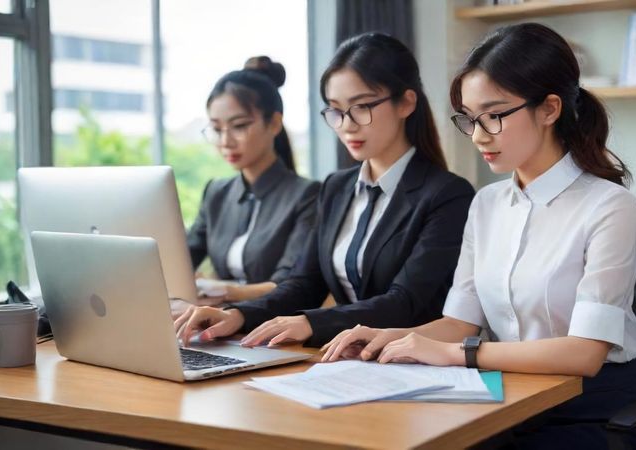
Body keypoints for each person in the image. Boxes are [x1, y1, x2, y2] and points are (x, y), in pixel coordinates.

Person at [320, 23, 636, 450]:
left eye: (496, 115)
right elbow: (460, 321)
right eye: (470, 118)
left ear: (549, 109)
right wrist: (390, 337)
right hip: (506, 399)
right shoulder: (485, 204)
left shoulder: (609, 205)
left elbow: (584, 354)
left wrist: (458, 354)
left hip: (596, 411)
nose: (480, 135)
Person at [175, 33, 476, 348]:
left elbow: (405, 302)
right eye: (335, 110)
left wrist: (310, 322)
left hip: (418, 363)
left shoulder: (448, 195)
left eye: (361, 107)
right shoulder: (337, 187)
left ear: (406, 102)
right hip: (346, 360)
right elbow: (304, 285)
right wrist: (238, 315)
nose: (347, 125)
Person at [186, 56, 319, 304]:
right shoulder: (216, 193)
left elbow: (289, 285)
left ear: (274, 123)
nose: (225, 141)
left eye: (239, 126)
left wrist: (220, 290)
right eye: (216, 129)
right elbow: (179, 264)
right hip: (216, 325)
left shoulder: (308, 195)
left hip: (274, 328)